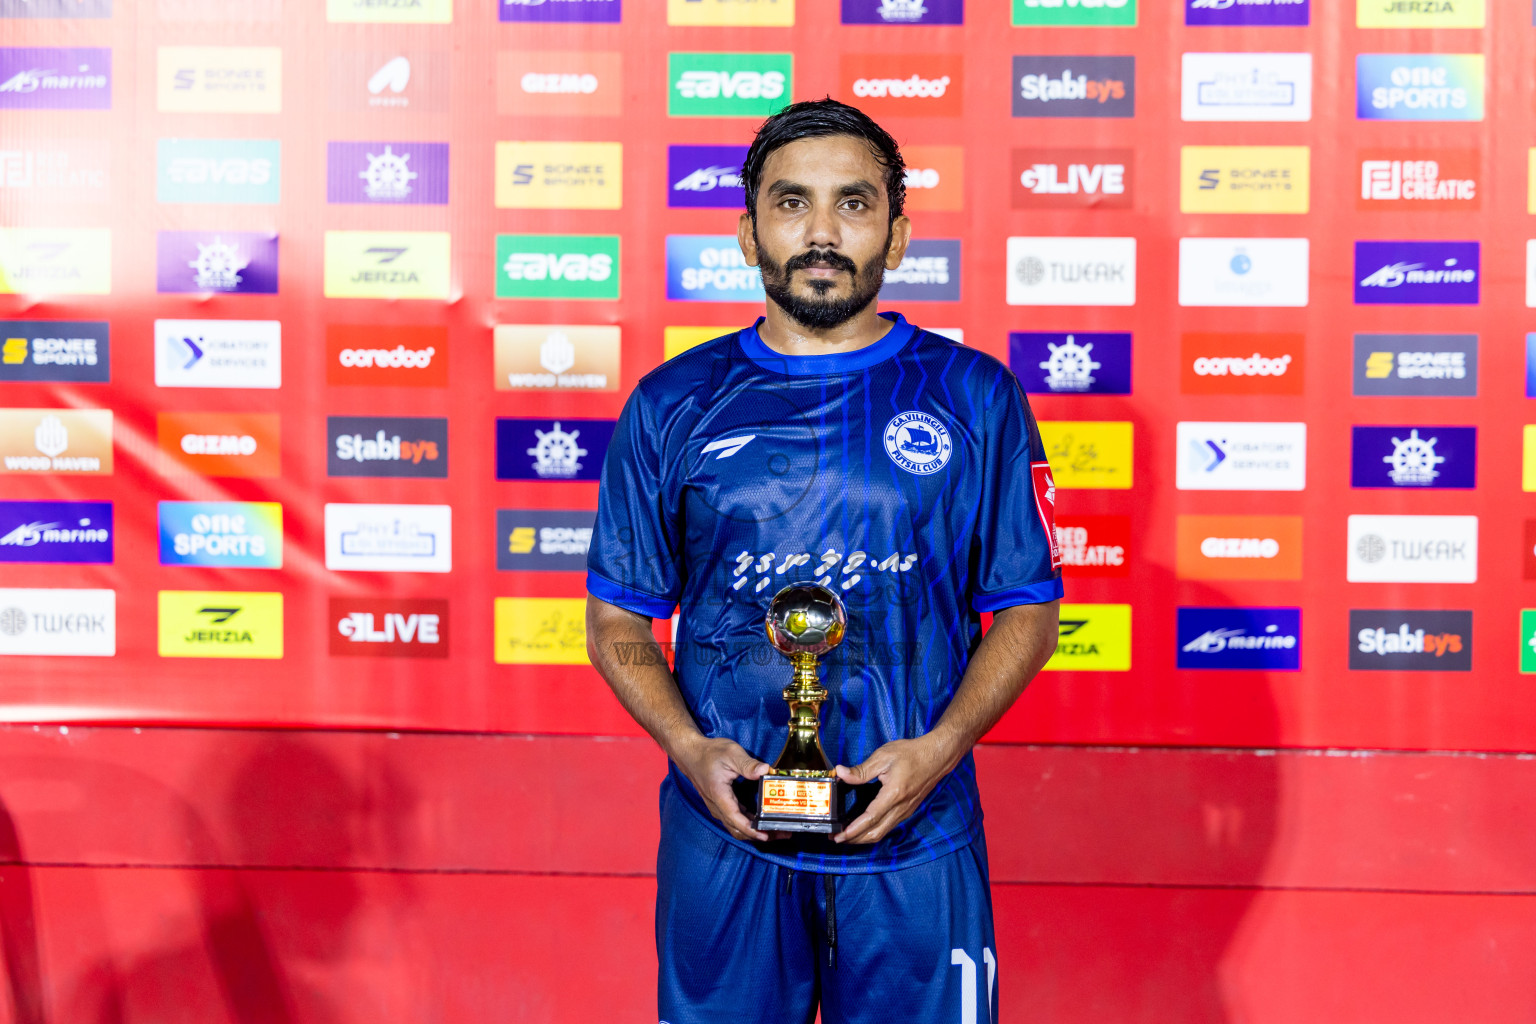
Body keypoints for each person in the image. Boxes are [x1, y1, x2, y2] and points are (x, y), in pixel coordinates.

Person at [585, 98, 1062, 1024]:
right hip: (726, 833)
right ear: (747, 232)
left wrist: (938, 750)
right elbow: (616, 621)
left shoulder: (975, 396)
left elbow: (1029, 612)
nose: (821, 233)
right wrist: (689, 746)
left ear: (898, 235)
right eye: (791, 201)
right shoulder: (673, 401)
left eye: (853, 203)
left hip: (917, 834)